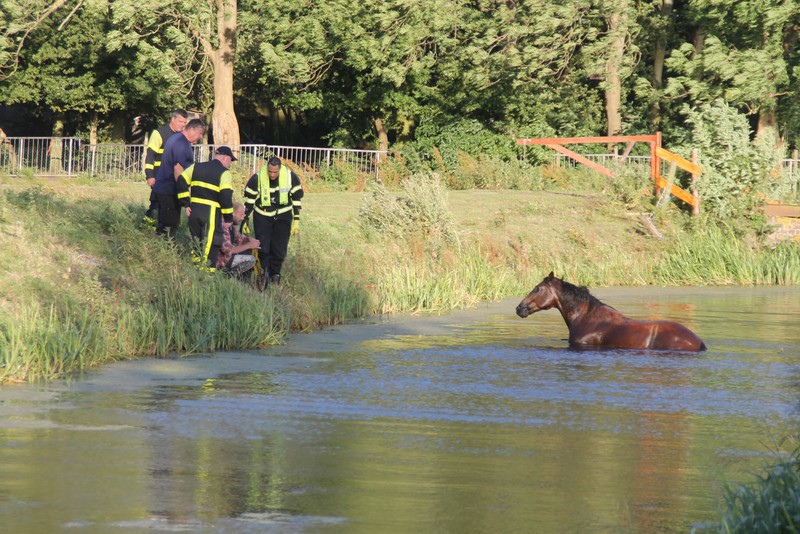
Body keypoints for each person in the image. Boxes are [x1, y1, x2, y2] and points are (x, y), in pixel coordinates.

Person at [243, 156, 304, 288]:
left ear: (280, 169)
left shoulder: (290, 177)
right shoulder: (257, 178)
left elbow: (297, 198)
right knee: (263, 248)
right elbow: (249, 201)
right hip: (262, 216)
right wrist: (245, 220)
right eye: (270, 171)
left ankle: (275, 276)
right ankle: (263, 275)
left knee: (279, 249)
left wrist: (297, 220)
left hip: (283, 216)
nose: (272, 175)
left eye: (275, 172)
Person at [176, 145, 236, 271]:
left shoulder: (196, 166)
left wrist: (186, 203)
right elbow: (225, 196)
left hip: (194, 209)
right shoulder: (225, 173)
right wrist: (229, 218)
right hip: (211, 212)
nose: (230, 164)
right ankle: (206, 275)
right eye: (231, 160)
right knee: (211, 244)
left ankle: (195, 269)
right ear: (225, 158)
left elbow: (181, 180)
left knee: (196, 242)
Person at [153, 118, 206, 242]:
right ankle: (167, 254)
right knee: (170, 227)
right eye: (200, 133)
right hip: (169, 191)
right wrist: (185, 198)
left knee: (164, 225)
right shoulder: (181, 144)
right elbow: (178, 170)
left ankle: (159, 249)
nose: (200, 137)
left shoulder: (176, 138)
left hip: (164, 189)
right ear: (192, 129)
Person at [142, 109, 188, 227]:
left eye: (184, 123)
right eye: (180, 122)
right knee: (156, 203)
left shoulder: (182, 136)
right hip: (159, 176)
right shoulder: (159, 133)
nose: (182, 125)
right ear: (173, 119)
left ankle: (165, 228)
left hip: (173, 178)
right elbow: (150, 155)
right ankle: (148, 227)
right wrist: (150, 176)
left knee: (170, 204)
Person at [216, 202, 260, 278]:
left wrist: (250, 240)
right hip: (221, 260)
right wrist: (249, 245)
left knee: (249, 251)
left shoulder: (232, 224)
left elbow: (239, 238)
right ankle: (228, 276)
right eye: (241, 215)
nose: (243, 218)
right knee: (251, 259)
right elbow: (228, 250)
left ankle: (241, 279)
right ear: (233, 213)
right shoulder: (223, 225)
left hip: (227, 257)